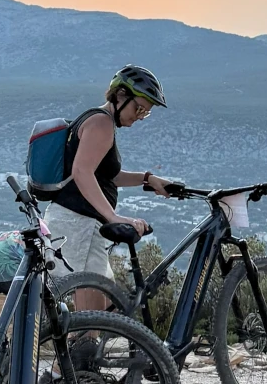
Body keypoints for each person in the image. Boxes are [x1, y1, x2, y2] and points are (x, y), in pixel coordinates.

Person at [43, 66, 172, 309]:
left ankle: (86, 345)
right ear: (120, 95)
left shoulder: (98, 120)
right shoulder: (101, 123)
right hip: (78, 223)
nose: (139, 116)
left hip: (81, 223)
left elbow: (108, 176)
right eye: (139, 108)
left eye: (146, 113)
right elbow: (82, 172)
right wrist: (112, 216)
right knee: (76, 298)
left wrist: (148, 178)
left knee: (96, 304)